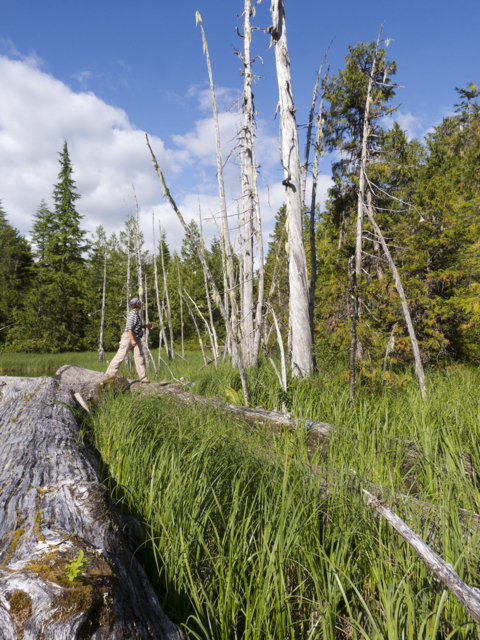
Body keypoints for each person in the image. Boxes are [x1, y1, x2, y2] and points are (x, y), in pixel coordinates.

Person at [105, 298, 154, 383]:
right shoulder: (132, 314)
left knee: (139, 357)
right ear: (137, 304)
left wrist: (146, 326)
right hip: (128, 337)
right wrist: (132, 340)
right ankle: (108, 375)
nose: (141, 305)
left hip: (136, 337)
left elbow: (136, 326)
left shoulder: (136, 314)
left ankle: (143, 378)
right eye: (140, 303)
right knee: (120, 355)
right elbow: (129, 328)